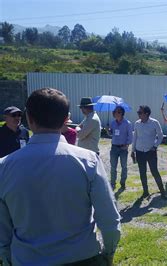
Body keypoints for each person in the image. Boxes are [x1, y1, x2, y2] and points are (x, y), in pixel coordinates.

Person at [0, 88, 121, 265]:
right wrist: (108, 253)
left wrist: (6, 255)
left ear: (29, 118)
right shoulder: (88, 161)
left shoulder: (4, 167)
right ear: (66, 120)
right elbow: (109, 219)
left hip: (28, 259)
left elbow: (2, 226)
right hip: (82, 257)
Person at [131, 105, 167, 199]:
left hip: (150, 151)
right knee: (142, 172)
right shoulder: (137, 123)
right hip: (139, 151)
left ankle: (163, 192)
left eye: (140, 112)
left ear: (146, 113)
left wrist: (155, 146)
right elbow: (135, 137)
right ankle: (145, 191)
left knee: (154, 171)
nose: (138, 114)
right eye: (138, 112)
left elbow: (160, 136)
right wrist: (132, 150)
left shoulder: (154, 123)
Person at [109, 106, 133, 190]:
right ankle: (112, 183)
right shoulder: (112, 123)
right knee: (113, 167)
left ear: (122, 113)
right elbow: (111, 134)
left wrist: (126, 145)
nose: (116, 113)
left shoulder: (127, 123)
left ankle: (123, 183)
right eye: (115, 112)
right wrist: (108, 131)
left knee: (124, 166)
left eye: (118, 112)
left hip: (123, 148)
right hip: (114, 147)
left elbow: (130, 137)